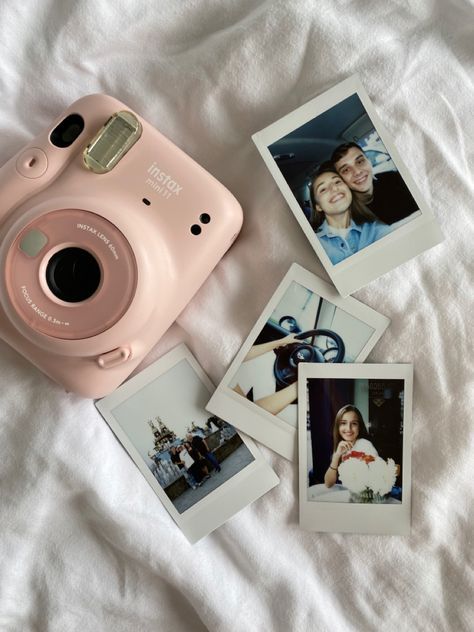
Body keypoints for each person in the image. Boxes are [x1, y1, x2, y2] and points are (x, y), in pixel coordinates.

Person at [309, 162, 391, 265]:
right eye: (323, 189)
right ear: (318, 206)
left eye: (337, 182)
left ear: (349, 189)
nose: (334, 188)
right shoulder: (313, 245)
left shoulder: (375, 229)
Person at [331, 142, 418, 225]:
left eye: (360, 162)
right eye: (346, 170)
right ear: (340, 179)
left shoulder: (395, 179)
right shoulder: (348, 217)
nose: (357, 172)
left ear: (369, 161)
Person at [324, 404, 378, 488]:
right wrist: (336, 456)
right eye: (343, 423)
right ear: (338, 427)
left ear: (359, 427)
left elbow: (377, 478)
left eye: (354, 423)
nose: (348, 428)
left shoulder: (365, 445)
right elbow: (328, 484)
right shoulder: (340, 447)